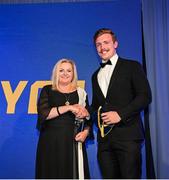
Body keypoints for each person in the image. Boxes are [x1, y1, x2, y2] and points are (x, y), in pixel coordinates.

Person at [91, 28, 152, 179]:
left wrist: (120, 114)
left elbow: (145, 96)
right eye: (98, 44)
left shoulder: (132, 66)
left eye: (106, 42)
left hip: (128, 137)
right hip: (104, 142)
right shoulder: (95, 75)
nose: (102, 47)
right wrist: (87, 113)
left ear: (115, 44)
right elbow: (96, 106)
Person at [35, 58, 92, 179]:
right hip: (50, 143)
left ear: (73, 74)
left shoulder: (81, 93)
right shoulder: (47, 90)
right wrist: (69, 107)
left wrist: (85, 133)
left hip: (73, 143)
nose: (65, 73)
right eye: (61, 70)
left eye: (69, 71)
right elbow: (44, 114)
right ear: (56, 73)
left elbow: (88, 120)